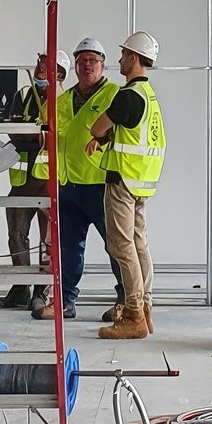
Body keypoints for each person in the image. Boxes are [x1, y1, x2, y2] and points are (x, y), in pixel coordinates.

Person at [32, 37, 125, 323]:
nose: (87, 66)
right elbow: (48, 132)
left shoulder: (113, 95)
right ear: (74, 65)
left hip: (100, 184)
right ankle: (64, 302)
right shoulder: (63, 100)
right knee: (69, 249)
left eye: (93, 60)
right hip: (69, 184)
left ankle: (126, 302)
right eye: (82, 60)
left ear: (103, 65)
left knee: (117, 246)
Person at [88, 31, 165, 341]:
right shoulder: (150, 97)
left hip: (122, 181)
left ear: (134, 58)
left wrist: (100, 135)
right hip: (141, 182)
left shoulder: (127, 96)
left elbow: (97, 126)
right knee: (138, 244)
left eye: (122, 55)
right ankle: (145, 309)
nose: (118, 60)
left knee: (121, 246)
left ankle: (133, 315)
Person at [2, 54, 65, 311]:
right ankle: (21, 285)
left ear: (59, 75)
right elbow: (13, 131)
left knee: (49, 239)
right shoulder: (23, 96)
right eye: (39, 65)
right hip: (23, 179)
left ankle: (42, 288)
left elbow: (54, 137)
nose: (40, 71)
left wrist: (34, 137)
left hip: (49, 180)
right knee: (16, 231)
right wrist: (34, 136)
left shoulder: (63, 100)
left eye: (47, 68)